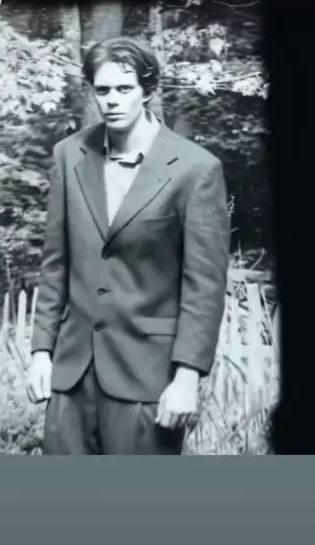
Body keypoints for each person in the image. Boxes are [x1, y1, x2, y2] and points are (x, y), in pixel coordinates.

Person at [27, 36, 230, 455]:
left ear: (148, 90)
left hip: (147, 376)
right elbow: (55, 264)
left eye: (124, 88)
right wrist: (41, 352)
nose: (112, 101)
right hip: (72, 372)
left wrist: (187, 377)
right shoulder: (69, 155)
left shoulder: (195, 169)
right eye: (102, 90)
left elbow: (204, 286)